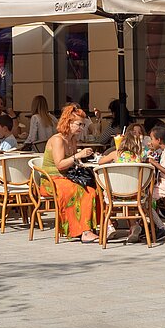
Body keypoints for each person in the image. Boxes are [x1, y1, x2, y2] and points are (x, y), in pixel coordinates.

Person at [41, 104, 99, 243]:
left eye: (83, 125)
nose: (82, 128)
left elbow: (71, 162)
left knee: (92, 190)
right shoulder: (58, 140)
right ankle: (82, 231)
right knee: (78, 191)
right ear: (68, 122)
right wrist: (77, 156)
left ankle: (92, 227)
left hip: (66, 178)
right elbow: (60, 165)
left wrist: (84, 156)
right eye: (79, 124)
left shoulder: (72, 139)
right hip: (51, 180)